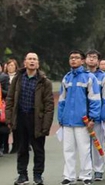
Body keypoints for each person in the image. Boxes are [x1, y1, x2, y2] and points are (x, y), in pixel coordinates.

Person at [5, 53, 53, 185]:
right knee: (21, 148)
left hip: (36, 119)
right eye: (29, 59)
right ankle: (22, 175)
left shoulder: (44, 81)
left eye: (34, 59)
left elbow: (49, 105)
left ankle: (38, 175)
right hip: (20, 117)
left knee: (38, 149)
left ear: (38, 63)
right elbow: (10, 99)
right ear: (25, 62)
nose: (32, 61)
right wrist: (9, 119)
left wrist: (46, 125)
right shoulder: (18, 79)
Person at [59, 50, 101, 185]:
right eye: (71, 58)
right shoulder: (66, 78)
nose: (73, 60)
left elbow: (95, 99)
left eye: (77, 58)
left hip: (83, 121)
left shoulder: (89, 78)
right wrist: (61, 117)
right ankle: (69, 176)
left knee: (84, 149)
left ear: (82, 61)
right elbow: (61, 100)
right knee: (68, 150)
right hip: (67, 121)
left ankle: (86, 175)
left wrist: (92, 118)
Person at [85, 50, 105, 181]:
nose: (91, 60)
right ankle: (86, 170)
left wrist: (102, 115)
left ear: (98, 61)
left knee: (97, 143)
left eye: (94, 57)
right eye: (89, 57)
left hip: (97, 117)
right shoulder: (82, 75)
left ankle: (99, 170)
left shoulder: (103, 77)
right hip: (83, 116)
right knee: (84, 145)